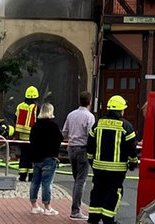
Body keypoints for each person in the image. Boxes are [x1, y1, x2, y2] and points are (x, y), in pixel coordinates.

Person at [87, 95, 139, 224]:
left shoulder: (98, 124)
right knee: (113, 193)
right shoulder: (126, 126)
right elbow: (131, 148)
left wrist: (91, 161)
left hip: (98, 167)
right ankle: (108, 219)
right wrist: (133, 162)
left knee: (97, 191)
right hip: (117, 170)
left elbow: (90, 145)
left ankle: (93, 218)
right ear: (121, 110)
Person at [63, 90, 96, 220]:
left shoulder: (71, 115)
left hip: (71, 149)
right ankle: (75, 210)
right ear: (90, 102)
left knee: (76, 179)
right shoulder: (90, 117)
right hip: (83, 149)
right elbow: (91, 135)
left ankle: (75, 208)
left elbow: (65, 132)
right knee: (80, 181)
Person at [29, 102, 64, 215]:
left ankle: (34, 205)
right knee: (47, 183)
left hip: (36, 158)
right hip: (49, 157)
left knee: (35, 182)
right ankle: (47, 207)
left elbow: (31, 140)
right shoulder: (53, 126)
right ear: (50, 111)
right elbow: (60, 139)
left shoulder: (35, 126)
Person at [16, 85, 40, 181]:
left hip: (22, 136)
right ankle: (31, 176)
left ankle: (22, 175)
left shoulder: (20, 106)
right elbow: (39, 121)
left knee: (23, 156)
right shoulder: (36, 107)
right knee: (32, 157)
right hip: (33, 137)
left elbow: (15, 118)